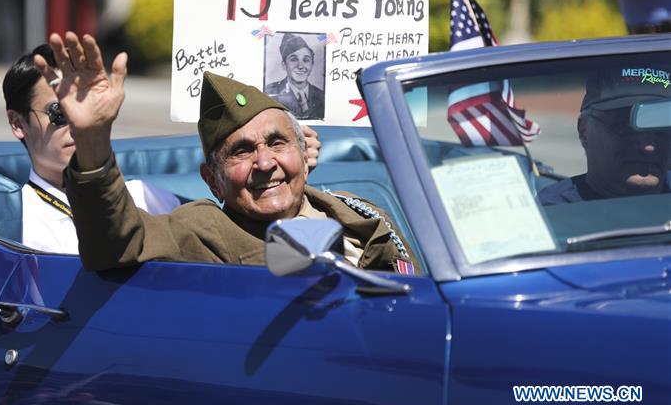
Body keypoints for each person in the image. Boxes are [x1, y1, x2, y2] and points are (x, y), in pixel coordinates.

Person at [33, 31, 417, 274]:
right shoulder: (202, 230)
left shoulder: (358, 211)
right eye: (242, 152)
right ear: (211, 180)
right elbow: (116, 244)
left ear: (303, 153)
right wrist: (93, 139)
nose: (265, 163)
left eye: (277, 143)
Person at [3, 44, 181, 254]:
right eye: (60, 111)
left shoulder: (150, 198)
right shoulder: (15, 224)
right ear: (18, 123)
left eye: (86, 103)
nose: (80, 122)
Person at [537, 65, 670, 205]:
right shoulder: (551, 216)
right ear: (584, 130)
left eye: (662, 128)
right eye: (625, 128)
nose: (648, 147)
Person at [266, 33, 325, 120]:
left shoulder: (322, 96)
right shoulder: (269, 93)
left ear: (312, 65)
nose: (300, 66)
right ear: (284, 65)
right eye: (294, 59)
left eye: (306, 60)